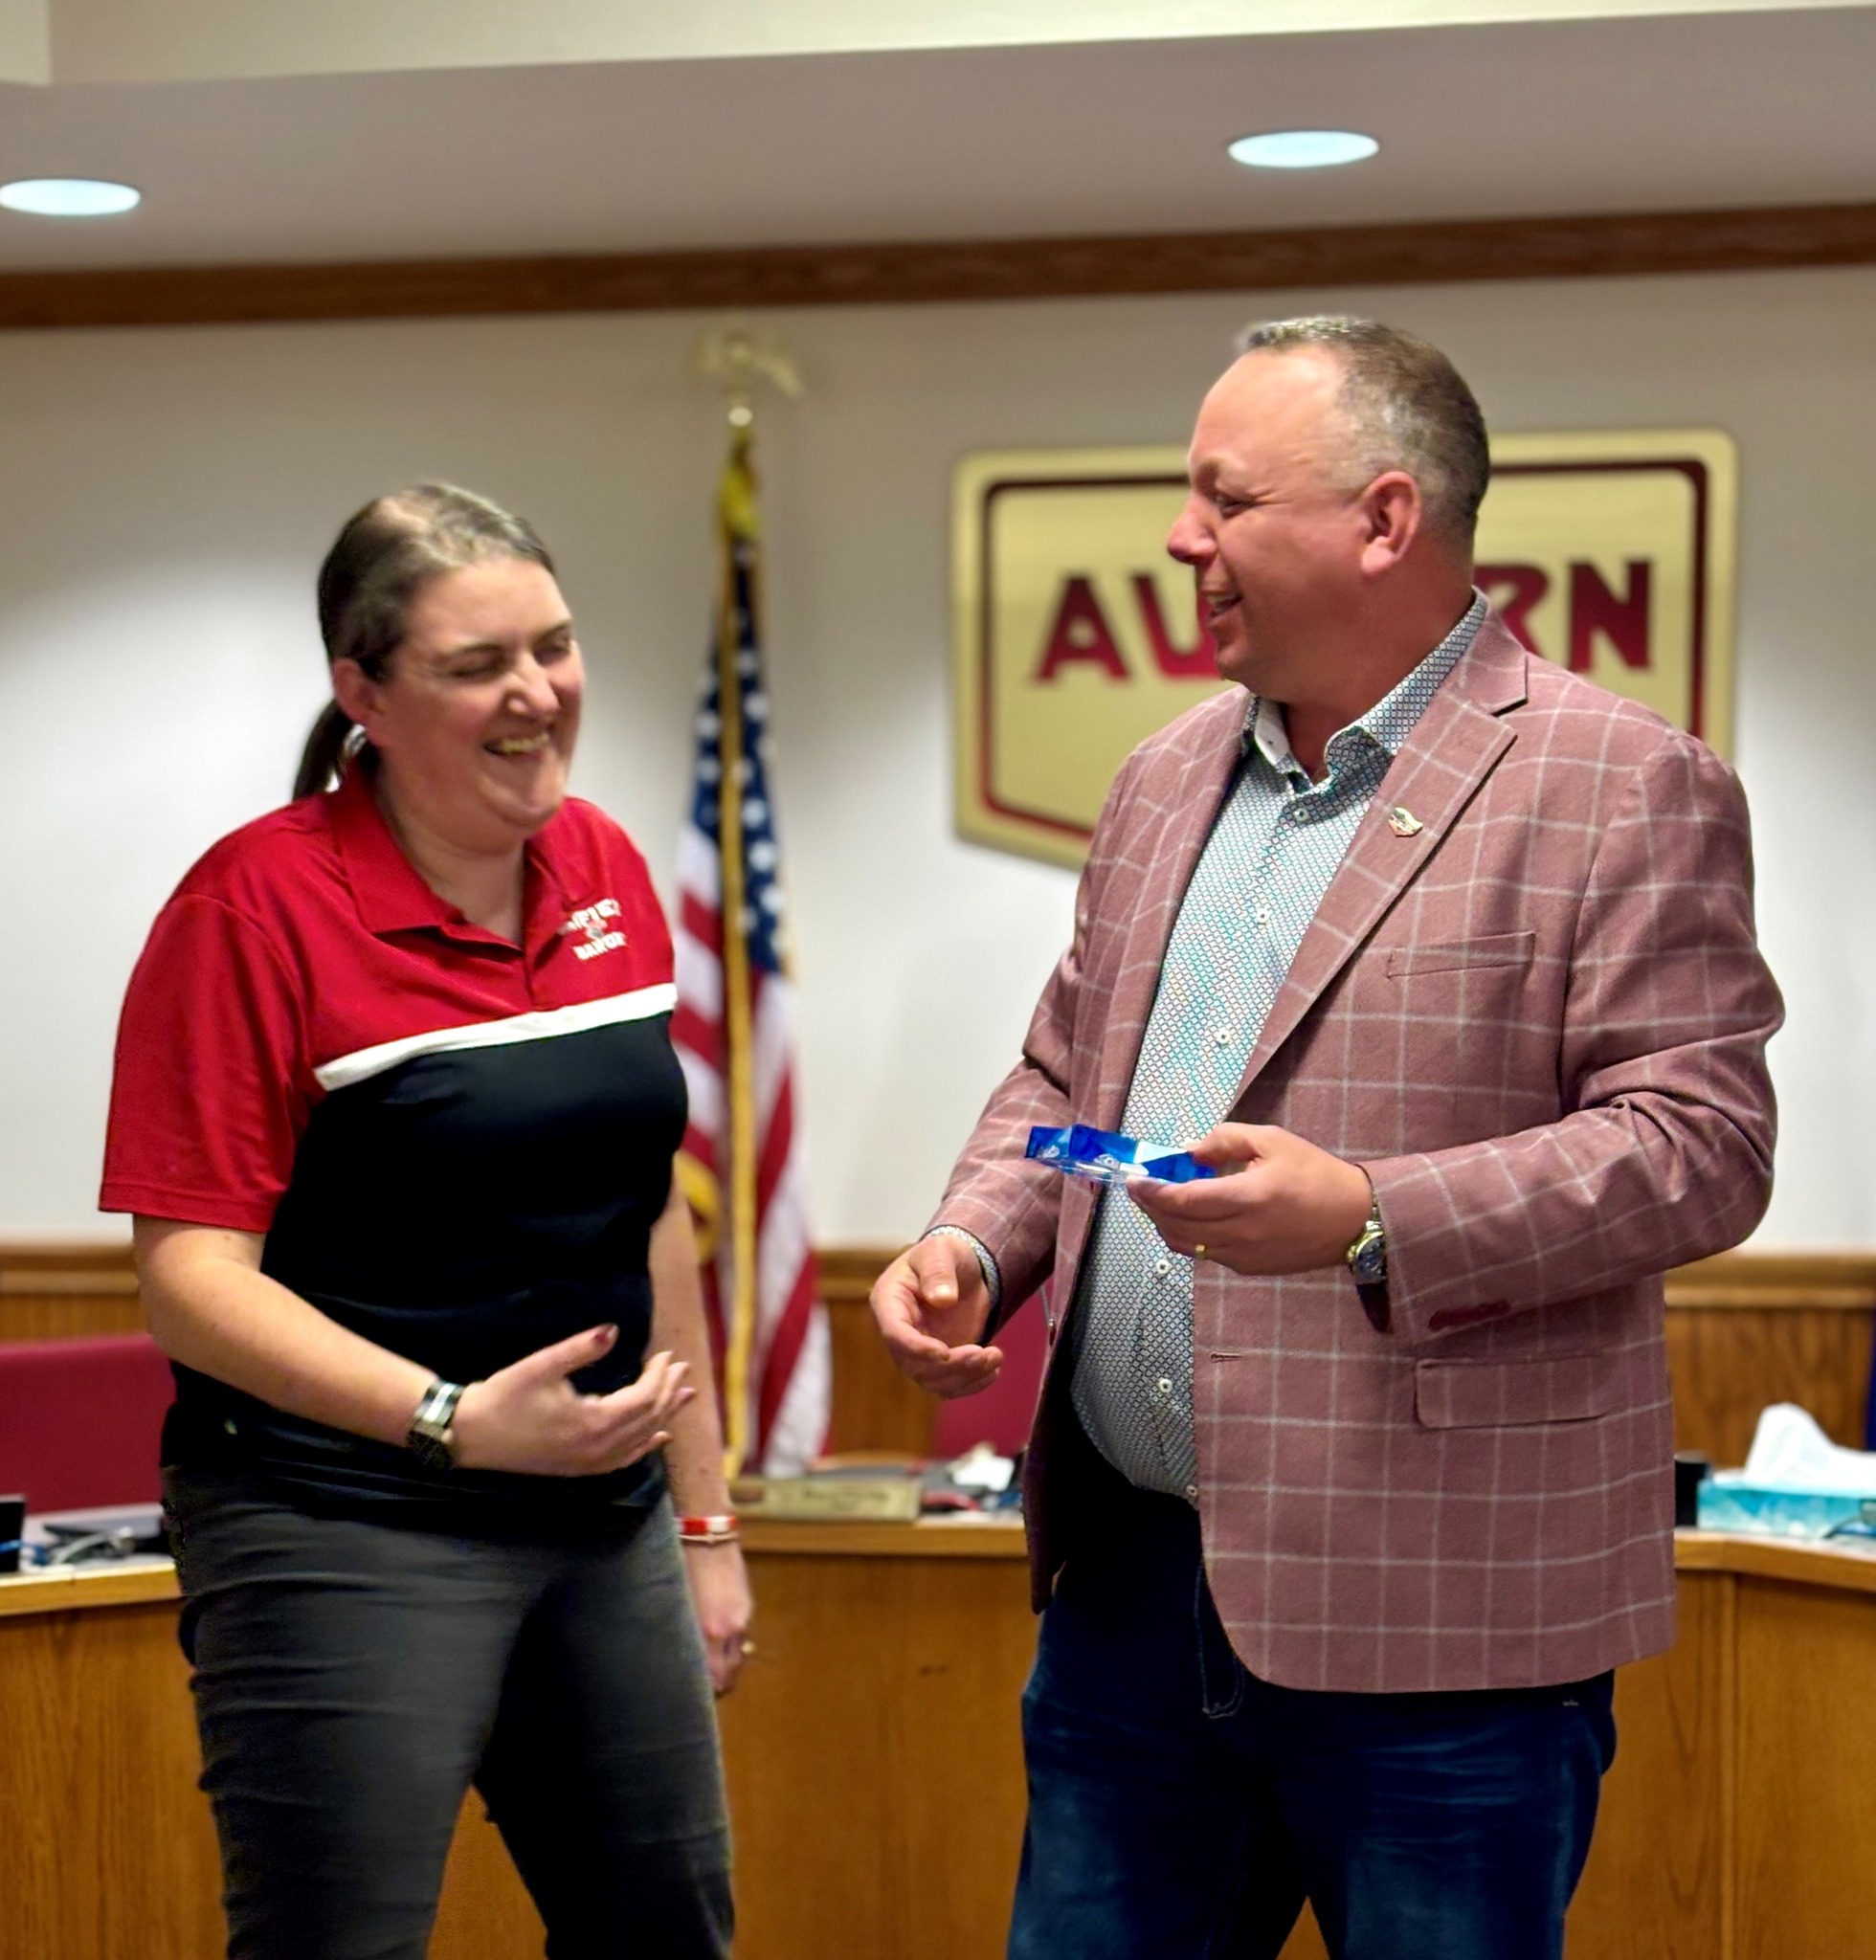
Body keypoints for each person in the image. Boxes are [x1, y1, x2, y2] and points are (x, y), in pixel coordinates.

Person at [871, 319, 1782, 1960]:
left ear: (1383, 519)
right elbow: (1063, 1075)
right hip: (1131, 1604)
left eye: (1225, 499)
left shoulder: (1622, 782)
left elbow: (1701, 1143)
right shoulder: (1160, 781)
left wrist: (1373, 1214)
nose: (1181, 538)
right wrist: (973, 1243)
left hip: (1444, 1634)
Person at [101, 485, 747, 1960]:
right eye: (477, 665)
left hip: (604, 1519)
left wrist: (706, 1518)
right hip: (341, 1519)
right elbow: (191, 1280)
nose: (537, 692)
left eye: (553, 646)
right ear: (364, 693)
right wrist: (449, 1419)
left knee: (670, 1934)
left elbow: (650, 1208)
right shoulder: (251, 910)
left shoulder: (604, 867)